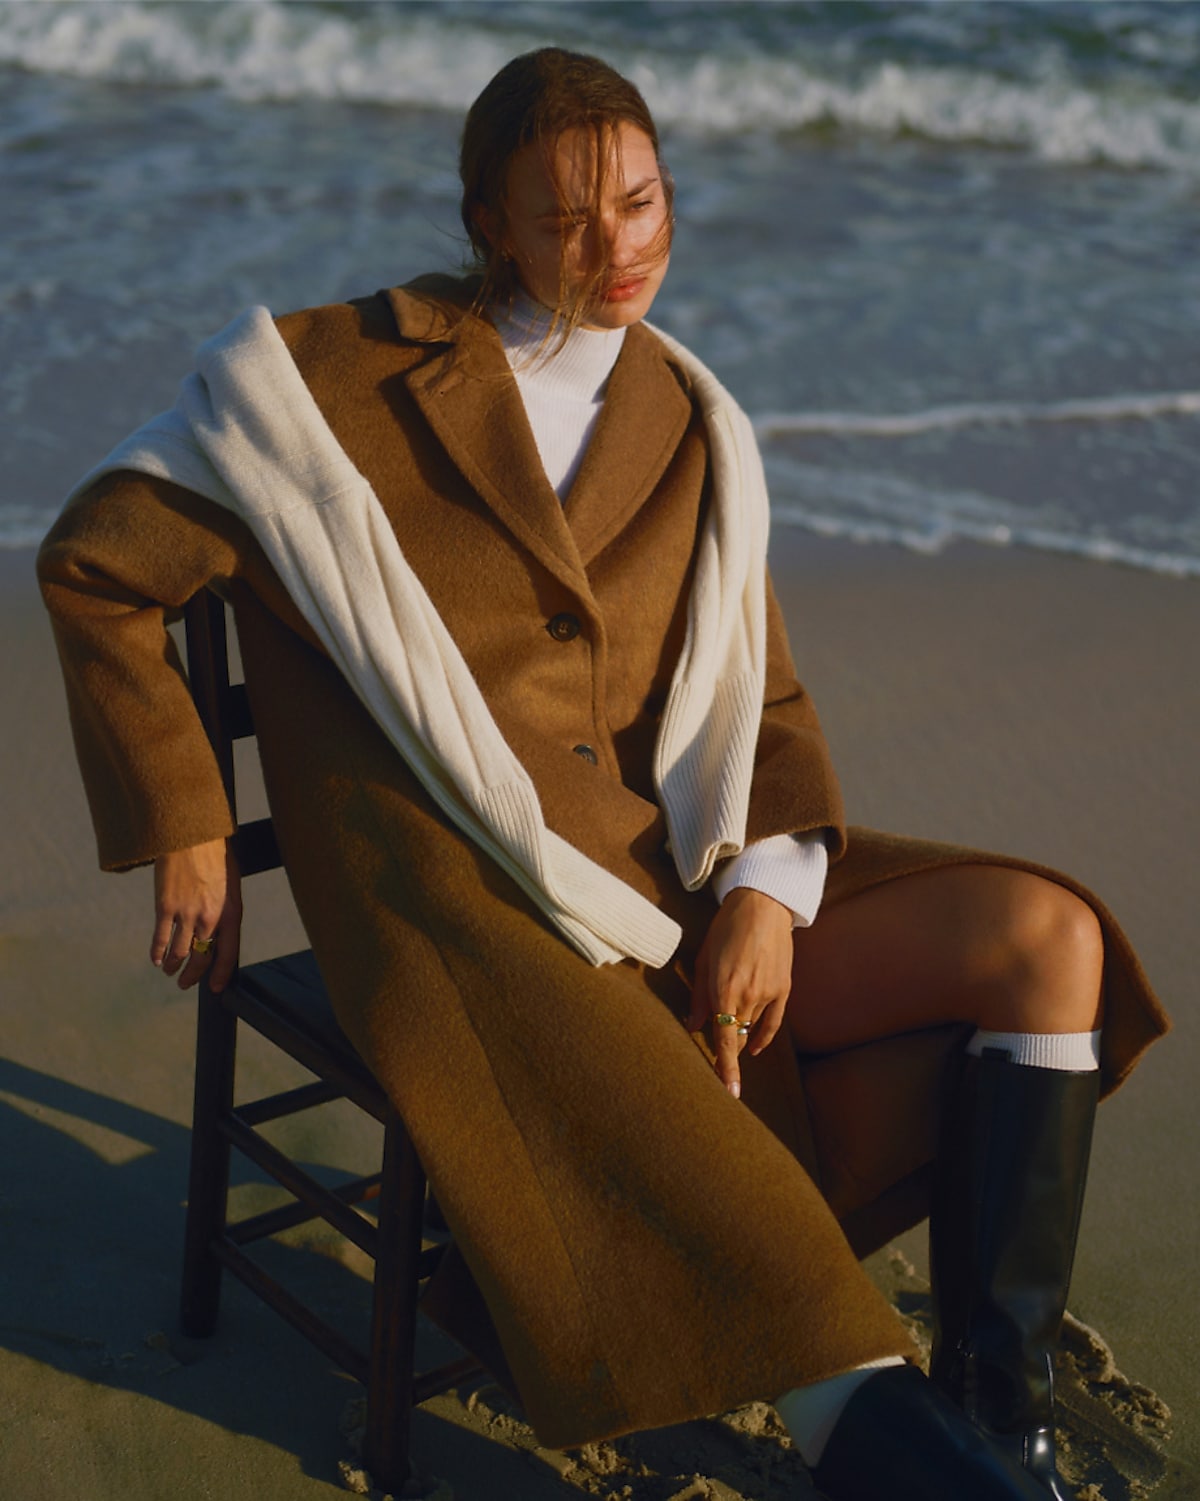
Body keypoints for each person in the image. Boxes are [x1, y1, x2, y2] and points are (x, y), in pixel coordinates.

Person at [38, 46, 1167, 1501]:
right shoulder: (326, 389)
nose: (616, 246)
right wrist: (185, 814)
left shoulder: (690, 421)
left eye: (640, 200)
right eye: (565, 217)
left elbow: (765, 694)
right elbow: (95, 563)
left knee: (1046, 942)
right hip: (474, 922)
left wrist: (767, 883)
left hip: (675, 880)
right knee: (777, 1270)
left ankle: (996, 1421)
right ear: (488, 219)